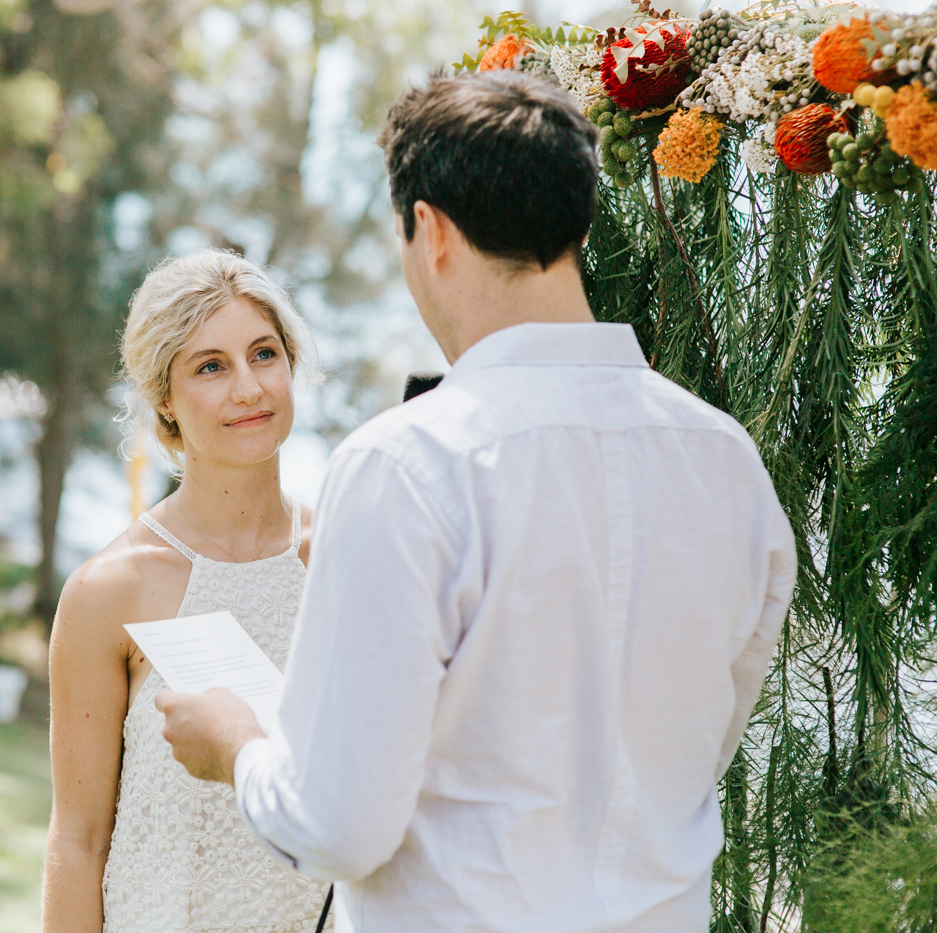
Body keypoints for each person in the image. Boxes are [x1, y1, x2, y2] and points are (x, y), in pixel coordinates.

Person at [156, 71, 798, 932]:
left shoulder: (406, 464)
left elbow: (337, 826)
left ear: (430, 230)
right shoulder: (728, 463)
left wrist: (235, 741)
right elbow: (691, 751)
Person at [42, 249, 329, 932]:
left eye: (264, 354)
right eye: (211, 366)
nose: (249, 388)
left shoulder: (343, 555)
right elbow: (78, 842)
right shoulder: (108, 592)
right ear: (163, 399)